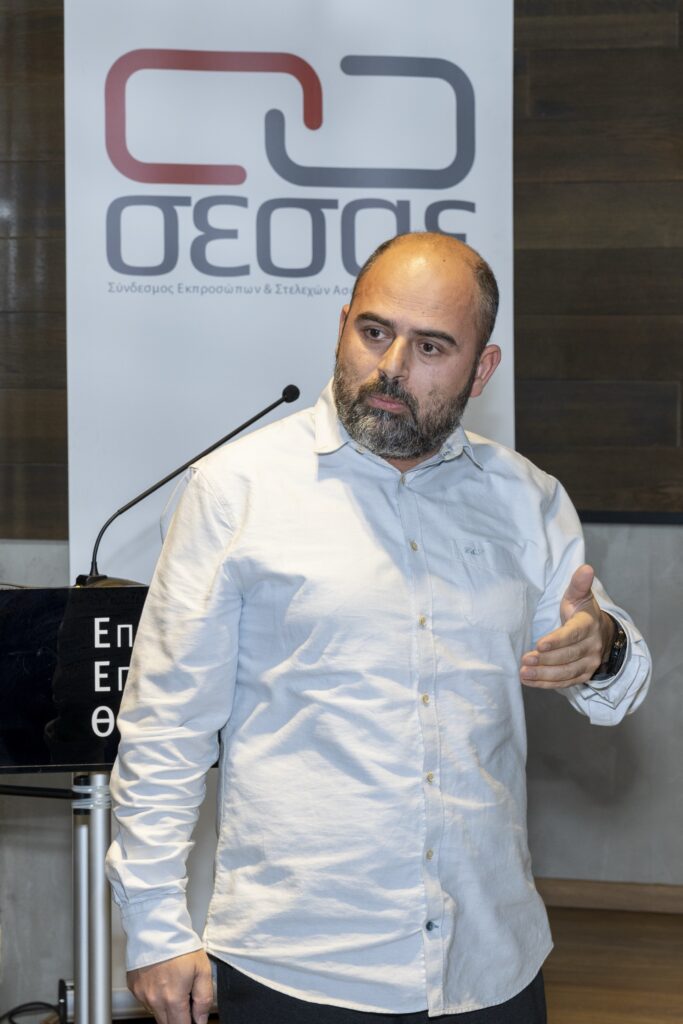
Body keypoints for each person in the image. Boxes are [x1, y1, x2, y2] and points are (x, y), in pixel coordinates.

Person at [106, 233, 651, 1024]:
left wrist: (601, 646)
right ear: (341, 327)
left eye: (430, 346)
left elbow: (614, 689)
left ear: (481, 370)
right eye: (373, 332)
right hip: (297, 968)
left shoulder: (525, 499)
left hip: (488, 963)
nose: (391, 365)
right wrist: (155, 927)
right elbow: (166, 727)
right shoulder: (235, 491)